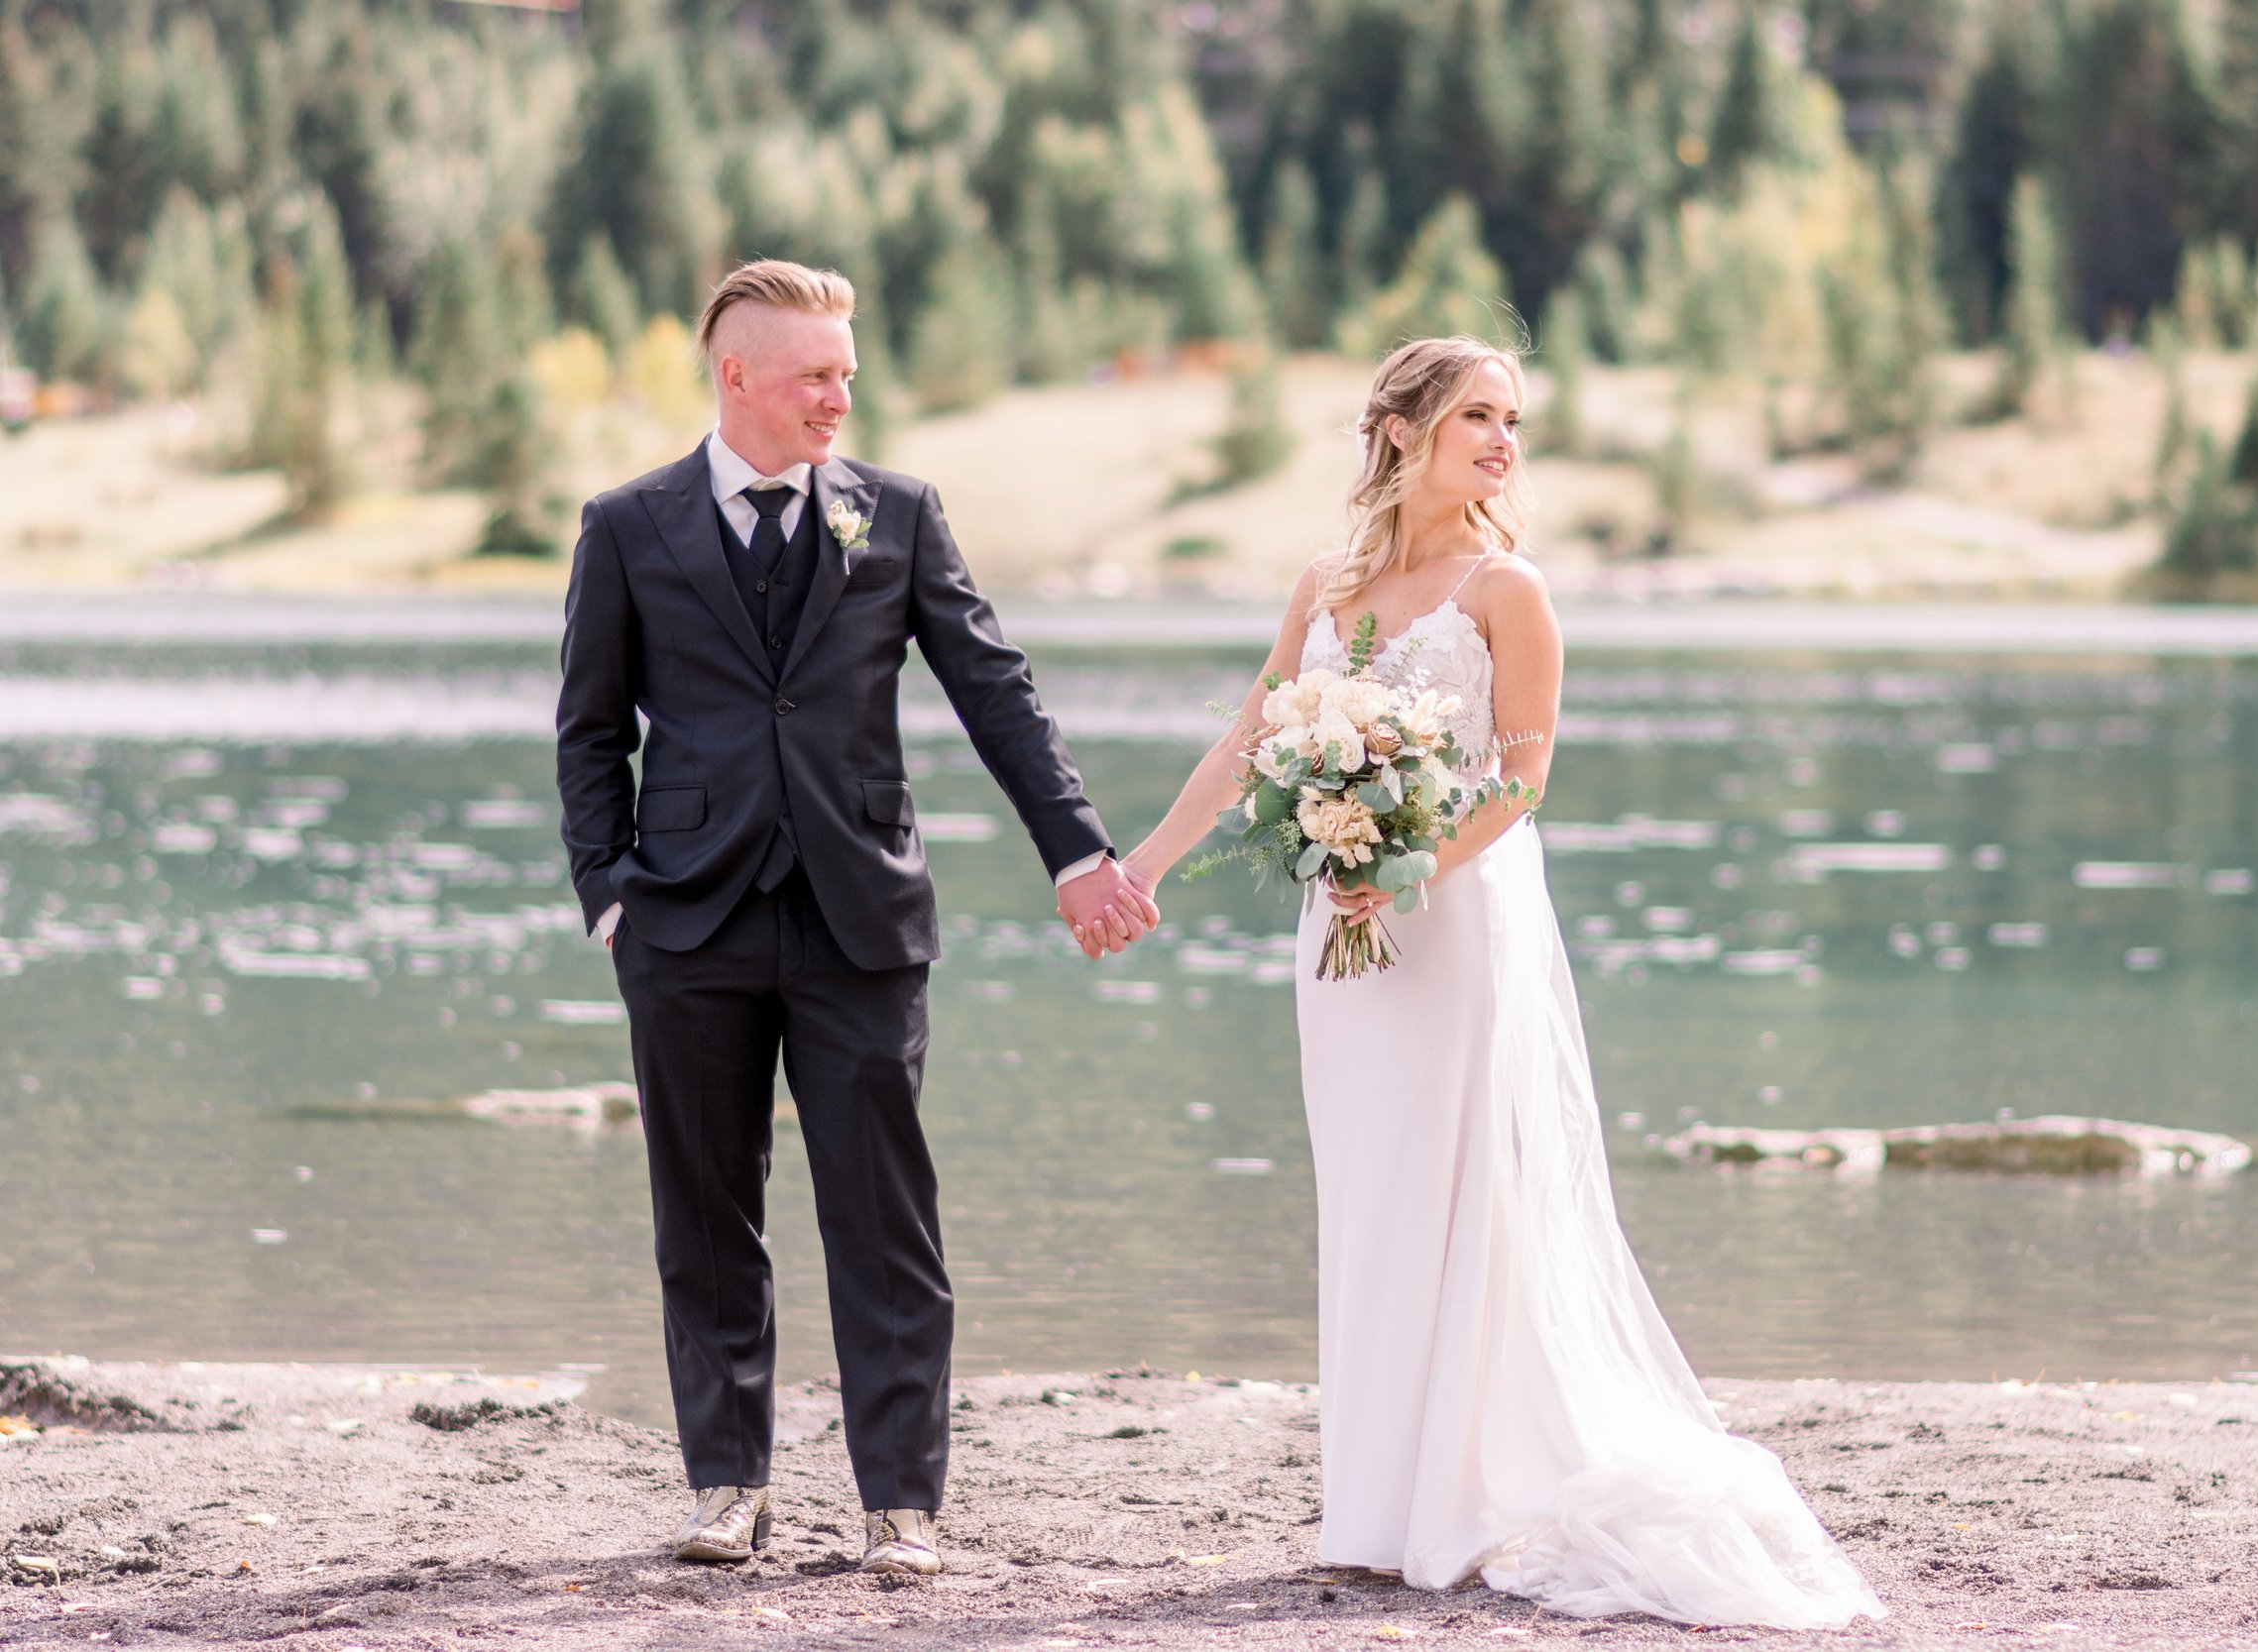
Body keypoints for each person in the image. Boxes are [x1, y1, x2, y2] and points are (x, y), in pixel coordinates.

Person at [1120, 337, 1885, 1626]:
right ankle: (1370, 1512)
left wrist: (1411, 867)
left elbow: (1525, 778)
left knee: (1462, 1192)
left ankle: (1457, 1503)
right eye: (1478, 413)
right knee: (1370, 1194)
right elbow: (1254, 735)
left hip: (1455, 916)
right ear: (1405, 427)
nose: (1502, 441)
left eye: (1513, 420)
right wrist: (1139, 870)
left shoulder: (1507, 589)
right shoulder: (1324, 583)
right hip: (1338, 929)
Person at [554, 260, 1157, 1574]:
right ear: (739, 377)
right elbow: (589, 731)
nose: (841, 396)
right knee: (705, 1219)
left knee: (886, 1220)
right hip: (688, 928)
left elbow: (997, 693)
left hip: (861, 923)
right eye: (818, 374)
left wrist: (1078, 854)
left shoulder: (901, 514)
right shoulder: (629, 524)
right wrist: (609, 897)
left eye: (848, 374)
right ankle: (729, 1487)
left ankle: (903, 1503)